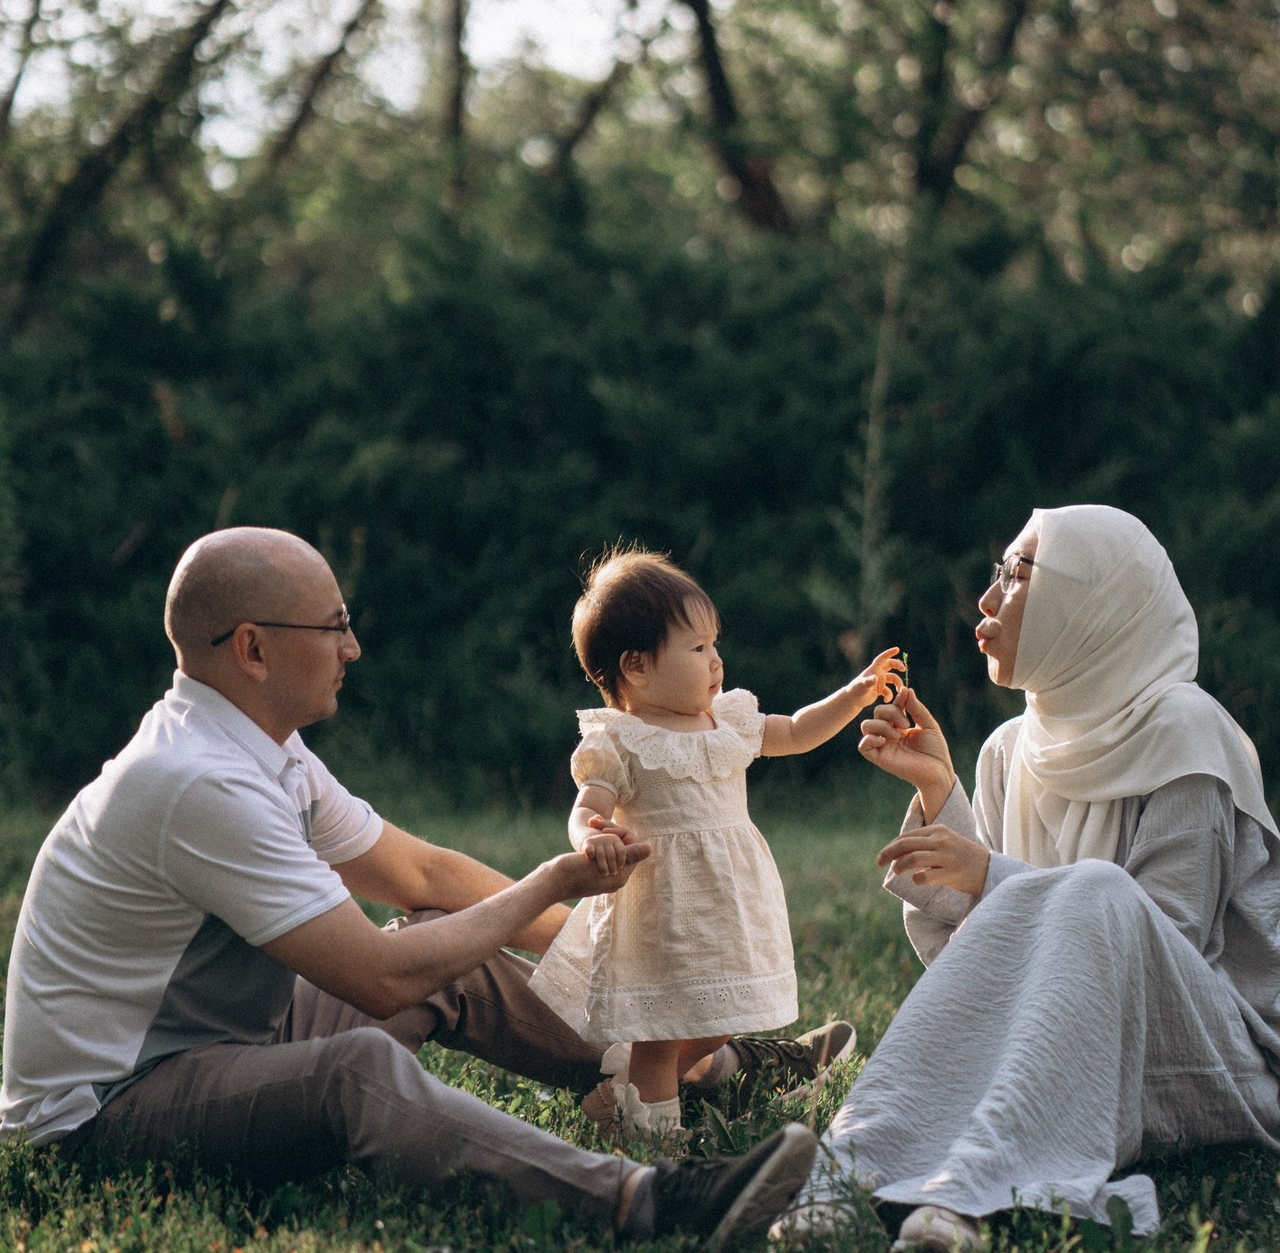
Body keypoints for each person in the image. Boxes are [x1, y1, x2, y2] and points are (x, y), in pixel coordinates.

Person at [0, 526, 823, 1247]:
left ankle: (695, 1068)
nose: (352, 648)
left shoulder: (259, 748)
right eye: (334, 627)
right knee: (356, 1067)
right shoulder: (198, 782)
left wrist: (611, 945)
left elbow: (420, 874)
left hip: (230, 1037)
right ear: (252, 649)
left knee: (443, 934)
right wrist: (550, 879)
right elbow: (379, 979)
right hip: (109, 1109)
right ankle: (646, 1201)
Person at [771, 504, 1280, 1252]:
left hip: (1203, 1053)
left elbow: (1147, 952)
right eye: (996, 572)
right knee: (1086, 892)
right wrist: (943, 795)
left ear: (1093, 599)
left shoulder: (1187, 736)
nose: (986, 600)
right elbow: (993, 974)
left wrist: (991, 875)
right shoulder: (1011, 749)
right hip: (1074, 1053)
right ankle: (845, 1171)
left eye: (1016, 574)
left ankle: (970, 1194)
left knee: (1098, 890)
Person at [528, 547, 900, 1139]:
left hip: (725, 908)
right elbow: (587, 808)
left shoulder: (727, 722)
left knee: (721, 1018)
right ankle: (653, 1134)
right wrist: (593, 837)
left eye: (714, 644)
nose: (716, 661)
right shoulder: (621, 741)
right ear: (636, 666)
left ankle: (622, 1096)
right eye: (697, 648)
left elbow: (798, 731)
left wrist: (852, 696)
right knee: (663, 1030)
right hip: (663, 911)